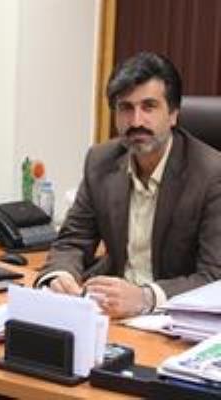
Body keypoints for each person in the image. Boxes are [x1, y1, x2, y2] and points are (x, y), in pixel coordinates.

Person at [35, 51, 221, 319]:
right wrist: (60, 275)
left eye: (149, 107)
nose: (136, 122)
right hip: (109, 312)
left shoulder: (211, 173)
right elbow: (73, 241)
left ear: (173, 114)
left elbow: (213, 277)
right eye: (125, 108)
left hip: (175, 319)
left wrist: (146, 297)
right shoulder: (100, 160)